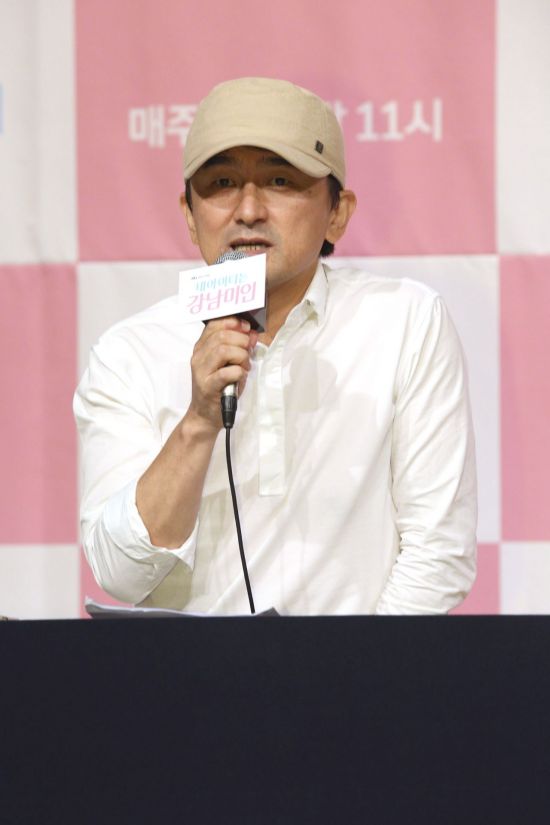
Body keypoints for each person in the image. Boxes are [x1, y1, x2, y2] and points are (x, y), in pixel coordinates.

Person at [74, 77, 477, 615]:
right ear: (189, 215)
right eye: (221, 183)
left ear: (338, 212)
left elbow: (439, 553)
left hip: (363, 665)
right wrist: (199, 420)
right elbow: (119, 576)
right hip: (188, 670)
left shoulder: (405, 320)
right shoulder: (129, 352)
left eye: (280, 180)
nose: (248, 210)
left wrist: (361, 664)